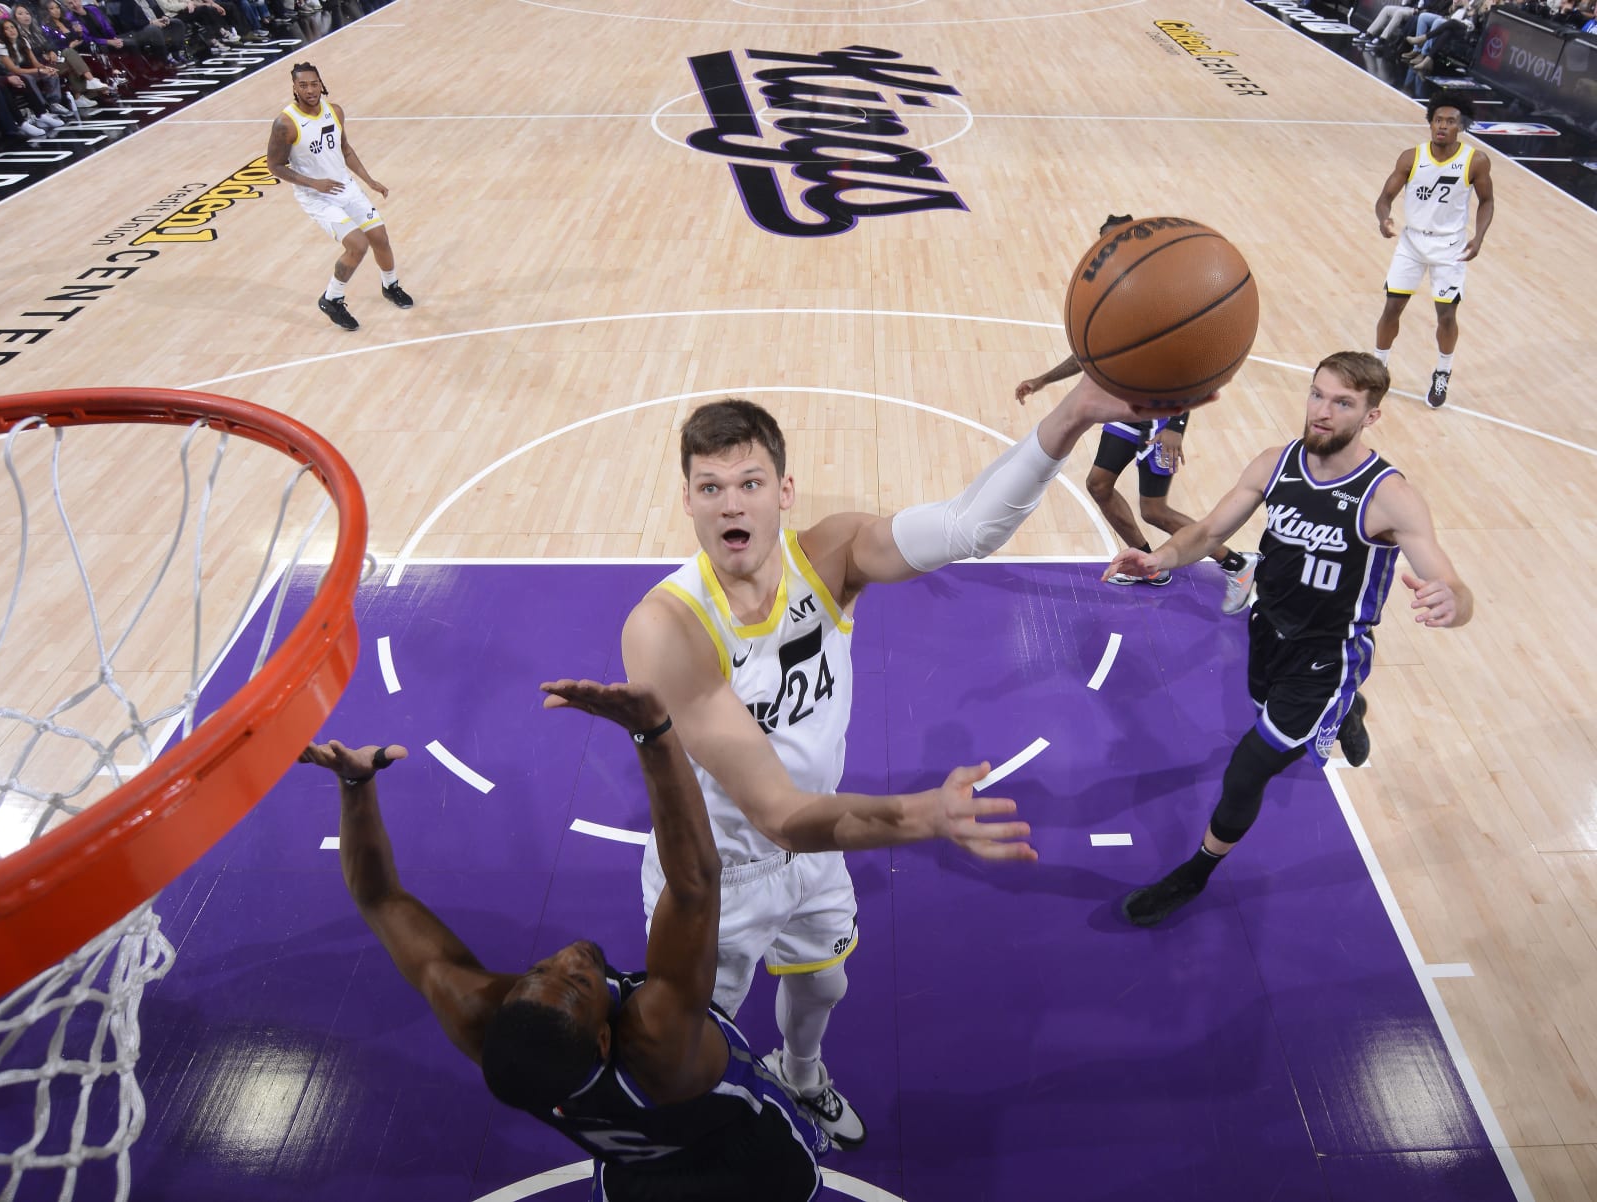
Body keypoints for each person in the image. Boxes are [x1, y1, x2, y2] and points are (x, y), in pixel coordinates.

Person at [620, 375, 1187, 1145]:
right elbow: (776, 812)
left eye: (749, 482)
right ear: (686, 501)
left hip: (814, 850)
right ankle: (693, 1148)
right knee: (687, 1046)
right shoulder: (665, 628)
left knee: (825, 980)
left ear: (784, 492)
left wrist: (1074, 414)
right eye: (710, 486)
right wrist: (927, 815)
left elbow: (968, 527)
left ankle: (803, 1072)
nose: (730, 504)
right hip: (714, 876)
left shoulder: (830, 556)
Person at [303, 679, 833, 1201]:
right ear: (605, 1040)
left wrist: (354, 787)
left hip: (634, 1177)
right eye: (578, 983)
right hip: (748, 1161)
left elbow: (380, 900)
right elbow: (695, 883)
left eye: (539, 972)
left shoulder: (481, 1021)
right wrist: (654, 733)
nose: (568, 956)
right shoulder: (658, 1041)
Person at [1105, 352, 1473, 928]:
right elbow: (1206, 531)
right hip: (1266, 632)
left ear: (1371, 416)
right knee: (1264, 721)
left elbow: (1450, 581)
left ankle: (1195, 872)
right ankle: (1347, 710)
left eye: (1343, 403)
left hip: (1328, 656)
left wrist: (1453, 602)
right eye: (1317, 394)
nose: (1322, 412)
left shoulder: (1388, 496)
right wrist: (1158, 559)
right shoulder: (1276, 464)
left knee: (1248, 769)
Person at [1015, 216, 1260, 610]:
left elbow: (1189, 367)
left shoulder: (1163, 290)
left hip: (1162, 419)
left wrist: (1177, 426)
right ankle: (1148, 563)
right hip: (1126, 409)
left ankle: (1237, 563)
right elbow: (1091, 355)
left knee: (1155, 510)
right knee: (1099, 485)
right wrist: (1043, 379)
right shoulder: (1118, 293)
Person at [265, 60, 412, 331]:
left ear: (321, 84)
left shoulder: (335, 112)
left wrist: (369, 180)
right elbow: (273, 166)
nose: (309, 89)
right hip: (316, 196)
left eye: (313, 83)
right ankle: (332, 298)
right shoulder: (285, 123)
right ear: (294, 88)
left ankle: (390, 286)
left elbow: (345, 149)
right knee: (357, 245)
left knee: (379, 237)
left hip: (345, 187)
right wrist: (313, 183)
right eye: (303, 85)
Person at [1372, 93, 1495, 410]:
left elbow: (1487, 201)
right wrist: (1383, 218)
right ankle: (1378, 367)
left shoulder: (1475, 161)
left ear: (1460, 126)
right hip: (1412, 243)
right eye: (1438, 120)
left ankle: (1442, 371)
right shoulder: (1411, 157)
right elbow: (1385, 197)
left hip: (1449, 248)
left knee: (1446, 316)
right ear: (1430, 124)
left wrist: (1478, 238)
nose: (1442, 126)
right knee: (1392, 308)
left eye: (1450, 121)